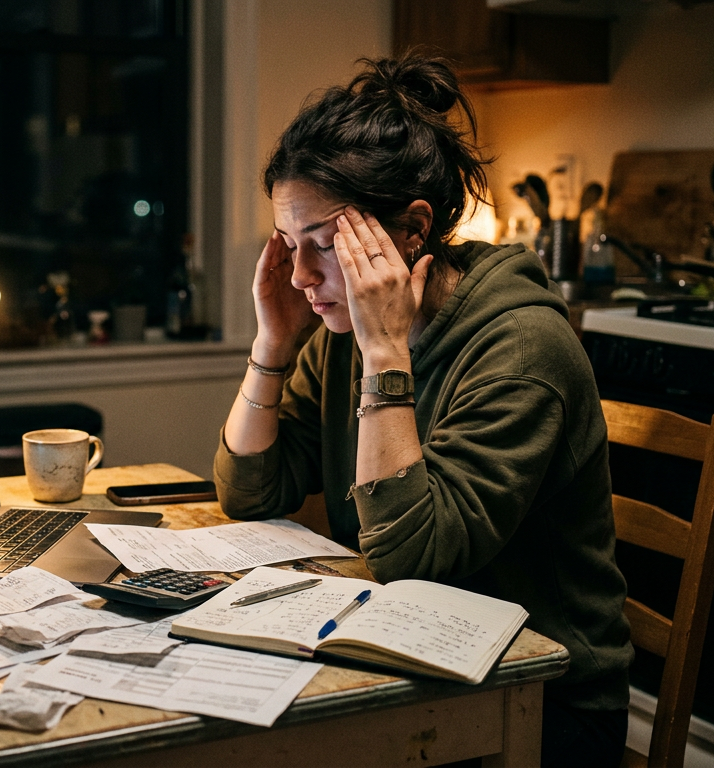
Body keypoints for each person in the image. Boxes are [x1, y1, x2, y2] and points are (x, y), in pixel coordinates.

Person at [213, 51, 633, 768]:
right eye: (289, 246)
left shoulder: (523, 346)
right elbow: (250, 491)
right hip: (413, 655)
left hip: (543, 699)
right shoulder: (337, 331)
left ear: (412, 230)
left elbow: (413, 559)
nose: (304, 276)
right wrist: (274, 341)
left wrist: (387, 356)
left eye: (325, 245)